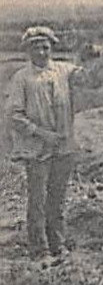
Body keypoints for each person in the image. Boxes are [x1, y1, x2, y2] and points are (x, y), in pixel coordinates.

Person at [7, 26, 78, 259]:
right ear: (28, 50)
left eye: (45, 46)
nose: (41, 51)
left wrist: (102, 54)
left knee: (57, 198)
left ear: (52, 48)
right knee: (38, 200)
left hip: (63, 146)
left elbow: (90, 77)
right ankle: (40, 249)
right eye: (36, 47)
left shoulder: (63, 71)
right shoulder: (22, 78)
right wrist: (41, 133)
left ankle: (58, 245)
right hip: (37, 149)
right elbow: (14, 115)